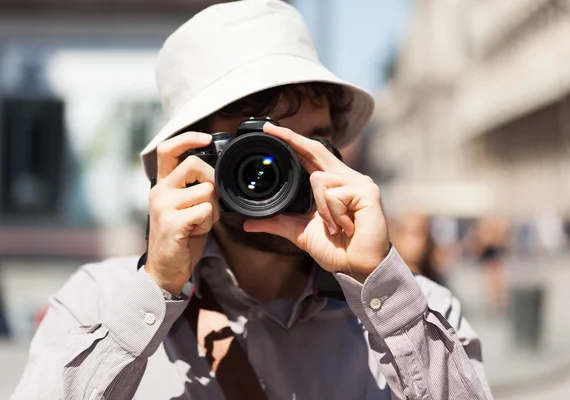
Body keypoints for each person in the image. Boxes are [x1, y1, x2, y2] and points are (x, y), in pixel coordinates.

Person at [13, 1, 493, 399]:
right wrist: (156, 291)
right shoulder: (98, 302)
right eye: (260, 151)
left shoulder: (418, 311)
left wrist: (379, 287)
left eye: (314, 145)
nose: (291, 170)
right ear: (189, 158)